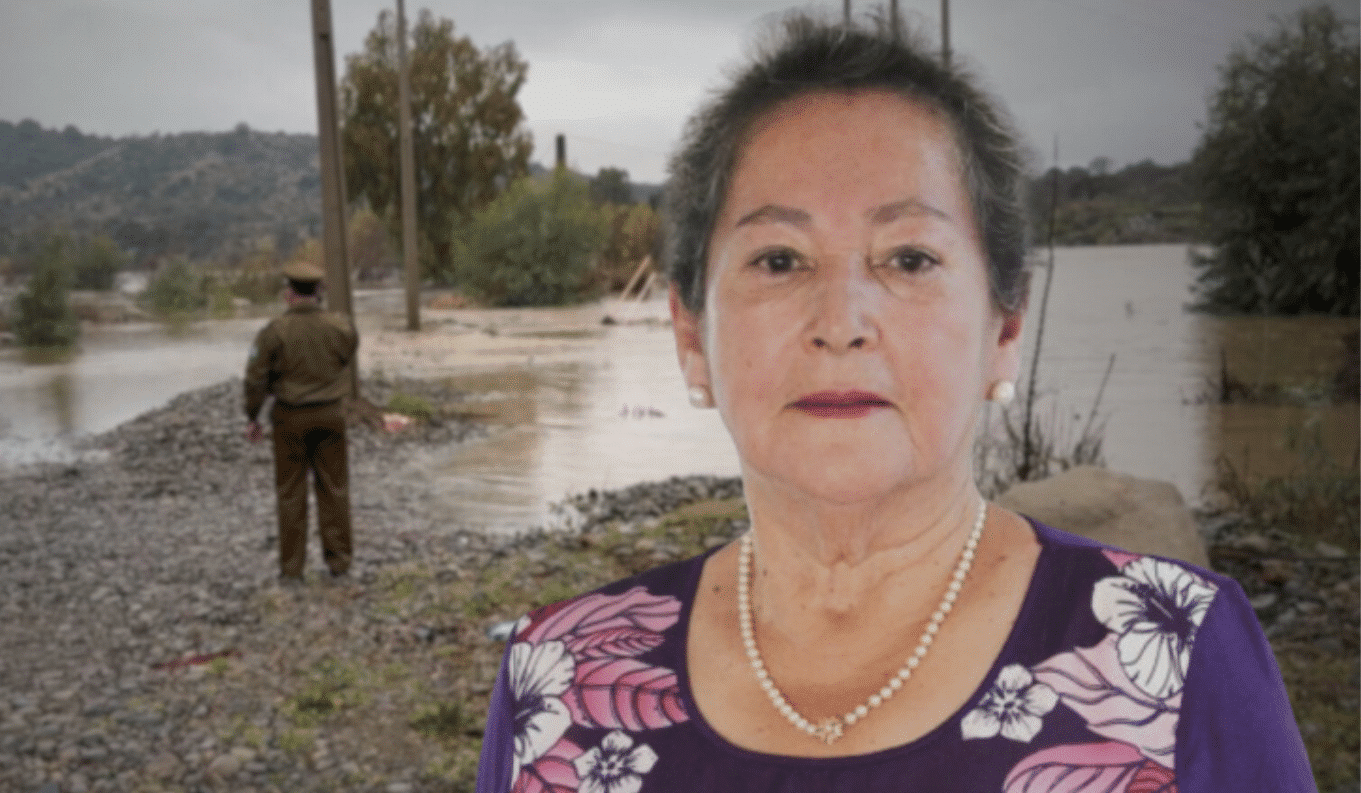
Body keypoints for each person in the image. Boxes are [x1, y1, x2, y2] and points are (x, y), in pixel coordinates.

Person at [475, 12, 1316, 793]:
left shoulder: (1177, 657)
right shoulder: (559, 682)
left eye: (909, 258)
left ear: (1005, 327)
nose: (841, 322)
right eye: (779, 259)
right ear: (692, 334)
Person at [244, 261, 358, 583]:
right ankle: (339, 563)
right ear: (319, 291)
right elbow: (346, 356)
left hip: (290, 418)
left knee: (291, 492)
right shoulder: (342, 327)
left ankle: (292, 570)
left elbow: (255, 379)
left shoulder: (274, 331)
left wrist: (253, 416)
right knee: (334, 489)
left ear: (289, 293)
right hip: (331, 415)